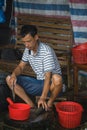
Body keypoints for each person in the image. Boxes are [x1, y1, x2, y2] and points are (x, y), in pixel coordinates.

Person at [6, 25, 62, 111]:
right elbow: (20, 67)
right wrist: (14, 75)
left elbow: (47, 77)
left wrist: (43, 98)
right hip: (39, 84)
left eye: (29, 41)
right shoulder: (27, 50)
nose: (26, 45)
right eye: (24, 42)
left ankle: (49, 104)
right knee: (9, 79)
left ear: (36, 37)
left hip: (52, 86)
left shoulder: (46, 51)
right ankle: (32, 107)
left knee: (57, 78)